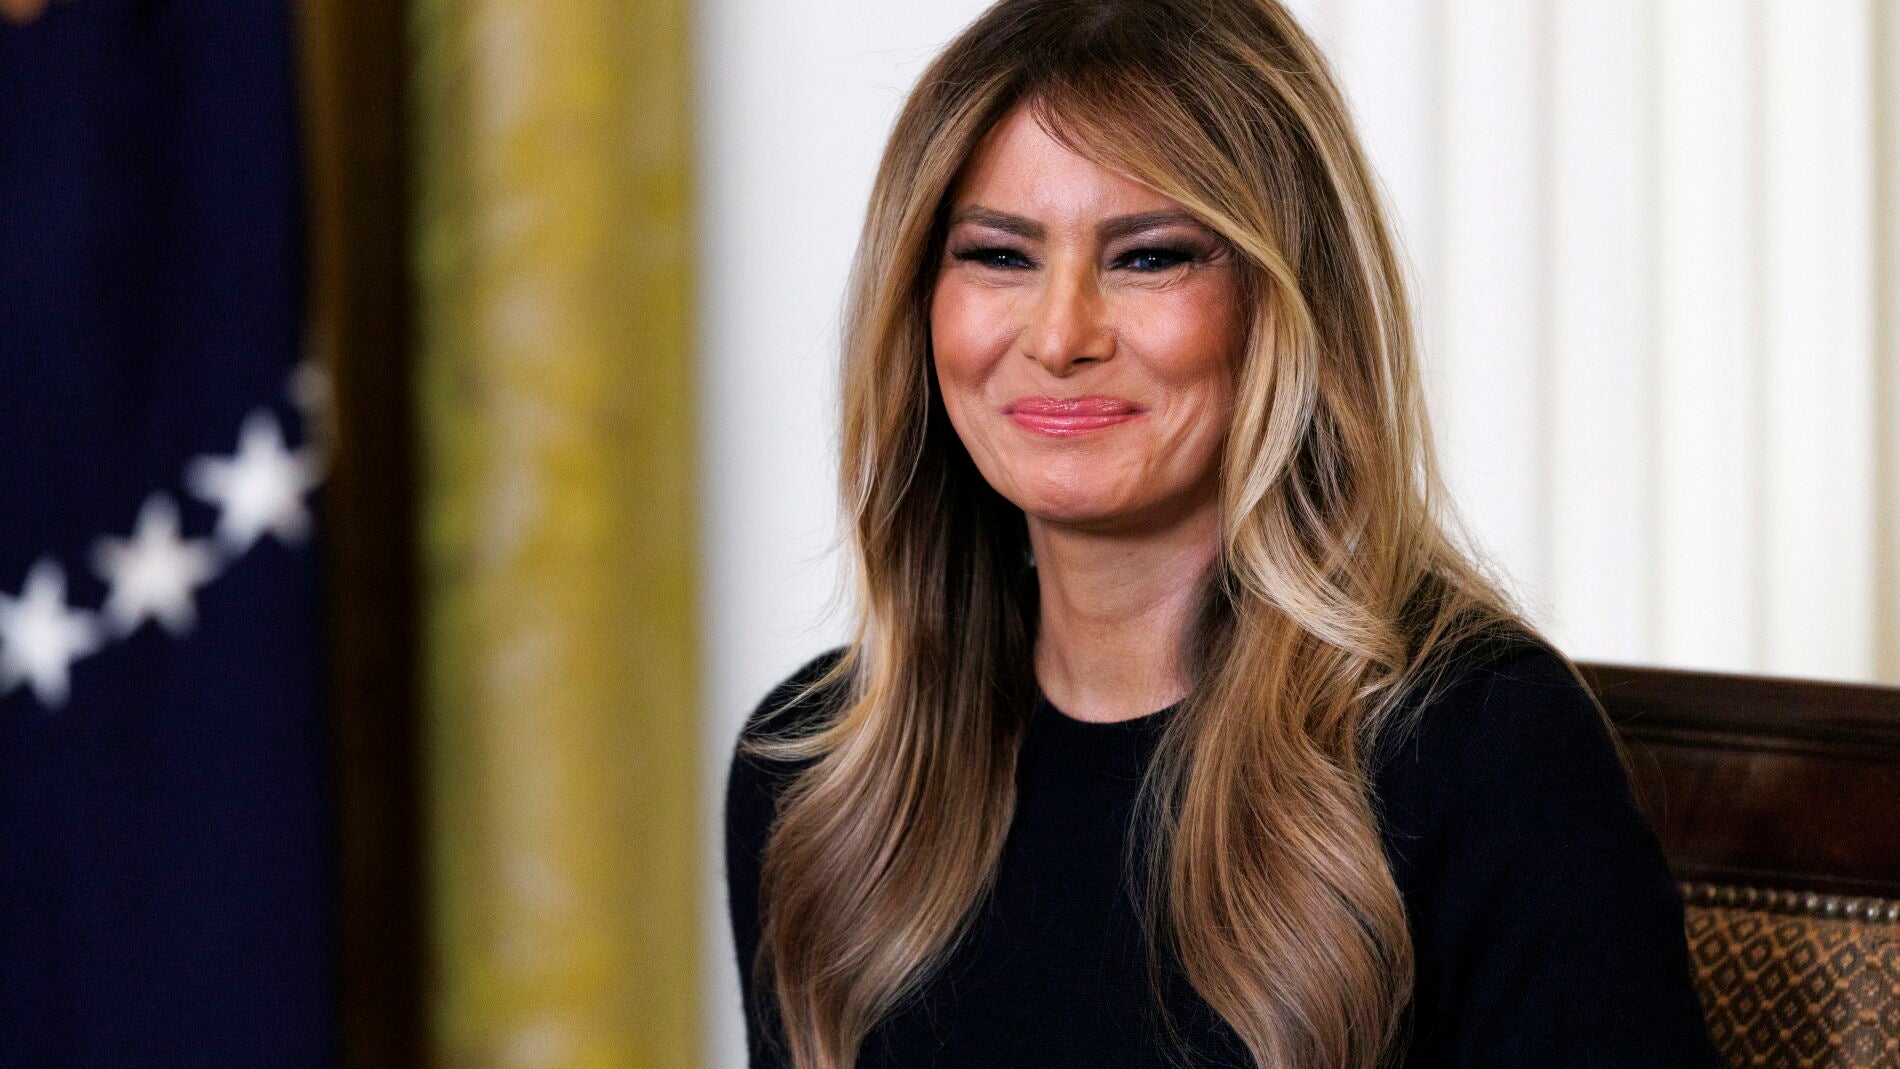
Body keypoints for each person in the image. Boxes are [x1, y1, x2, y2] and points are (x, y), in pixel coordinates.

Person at [723, 1, 1724, 1066]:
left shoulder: (1484, 753)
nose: (1059, 335)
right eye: (1000, 256)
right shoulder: (824, 783)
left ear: (1287, 301)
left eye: (1149, 257)